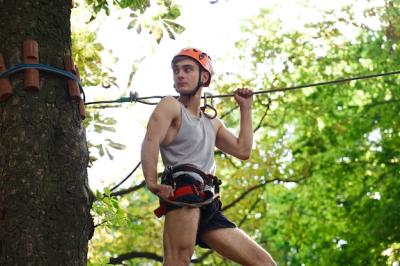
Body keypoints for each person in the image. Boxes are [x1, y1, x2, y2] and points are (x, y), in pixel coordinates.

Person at [141, 47, 276, 266]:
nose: (180, 75)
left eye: (187, 69)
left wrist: (246, 109)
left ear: (204, 77)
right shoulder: (170, 106)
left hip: (209, 200)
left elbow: (243, 151)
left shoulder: (212, 123)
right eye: (176, 70)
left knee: (264, 263)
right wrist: (152, 182)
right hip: (183, 188)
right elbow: (150, 141)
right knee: (178, 261)